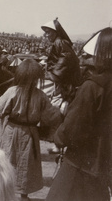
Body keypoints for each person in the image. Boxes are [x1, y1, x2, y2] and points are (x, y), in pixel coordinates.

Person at [46, 27, 112, 201]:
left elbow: (71, 129)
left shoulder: (92, 86)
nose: (85, 60)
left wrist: (59, 138)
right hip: (104, 167)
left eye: (89, 56)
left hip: (80, 165)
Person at [0, 59, 62, 201]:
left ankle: (5, 193)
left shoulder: (13, 91)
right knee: (25, 163)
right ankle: (22, 195)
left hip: (12, 131)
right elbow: (50, 116)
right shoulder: (40, 95)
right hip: (29, 133)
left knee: (9, 159)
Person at [41, 18, 81, 153]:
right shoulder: (59, 43)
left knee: (59, 107)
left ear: (55, 32)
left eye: (48, 33)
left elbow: (65, 59)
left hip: (65, 83)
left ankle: (59, 141)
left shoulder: (60, 42)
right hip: (61, 81)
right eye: (45, 33)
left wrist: (53, 75)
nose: (46, 36)